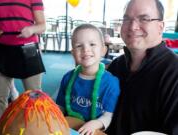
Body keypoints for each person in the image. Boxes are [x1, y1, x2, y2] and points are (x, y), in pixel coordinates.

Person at [106, 0, 178, 135]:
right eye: (127, 19)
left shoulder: (173, 72)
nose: (132, 26)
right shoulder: (116, 66)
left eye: (144, 19)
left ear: (160, 27)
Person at [56, 24, 120, 135]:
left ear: (103, 50)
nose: (86, 49)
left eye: (92, 44)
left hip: (95, 130)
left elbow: (108, 115)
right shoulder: (68, 78)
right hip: (69, 126)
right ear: (73, 53)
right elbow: (60, 107)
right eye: (79, 46)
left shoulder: (111, 83)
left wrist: (95, 124)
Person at [0, 0, 46, 120]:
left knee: (34, 97)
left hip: (28, 48)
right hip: (2, 50)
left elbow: (42, 26)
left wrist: (31, 29)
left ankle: (36, 127)